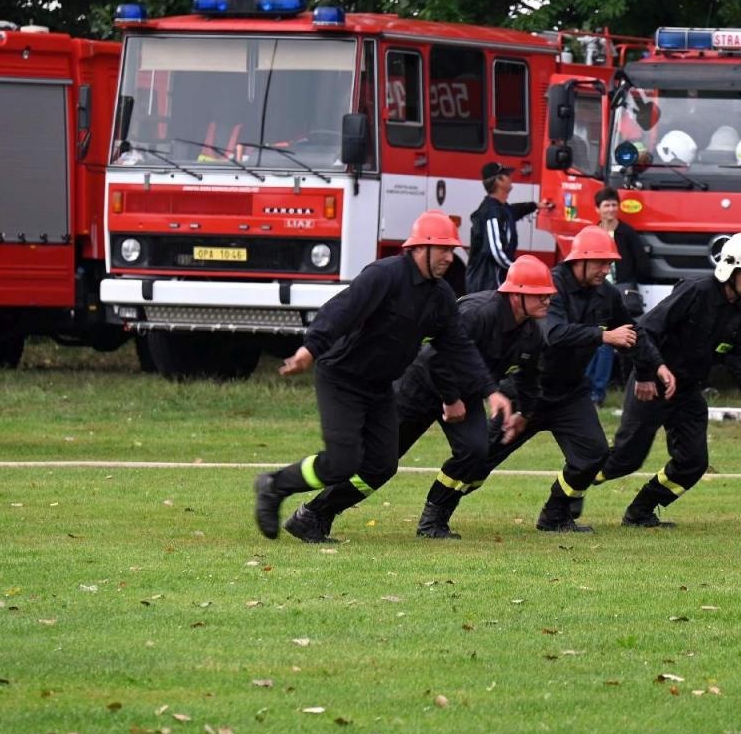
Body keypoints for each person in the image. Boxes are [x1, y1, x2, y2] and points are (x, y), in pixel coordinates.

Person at [253, 211, 513, 542]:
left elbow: (458, 347)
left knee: (382, 465)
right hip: (342, 379)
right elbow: (341, 311)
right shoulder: (384, 275)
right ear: (419, 248)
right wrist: (310, 349)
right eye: (443, 249)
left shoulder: (441, 296)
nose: (450, 257)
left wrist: (491, 391)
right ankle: (275, 485)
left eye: (452, 250)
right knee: (342, 462)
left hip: (379, 388)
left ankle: (311, 520)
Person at [451, 225, 655, 533]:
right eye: (601, 263)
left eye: (609, 263)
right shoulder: (550, 286)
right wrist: (603, 336)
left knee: (593, 454)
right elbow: (553, 334)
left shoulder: (606, 293)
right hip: (529, 392)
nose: (606, 270)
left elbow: (631, 332)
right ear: (579, 261)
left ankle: (556, 515)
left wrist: (648, 371)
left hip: (570, 393)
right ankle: (437, 514)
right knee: (479, 459)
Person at [592, 232, 741, 526]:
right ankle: (567, 493)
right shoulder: (695, 291)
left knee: (693, 462)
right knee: (625, 459)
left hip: (687, 392)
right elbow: (646, 330)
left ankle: (641, 511)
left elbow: (740, 361)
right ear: (730, 270)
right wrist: (647, 372)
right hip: (652, 384)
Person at [408, 255, 554, 539]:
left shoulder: (532, 333)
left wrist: (525, 413)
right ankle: (319, 512)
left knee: (475, 452)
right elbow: (437, 358)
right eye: (540, 295)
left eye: (549, 295)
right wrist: (450, 398)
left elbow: (528, 377)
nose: (547, 301)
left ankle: (433, 521)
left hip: (467, 394)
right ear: (517, 295)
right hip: (423, 386)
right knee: (383, 458)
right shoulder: (477, 313)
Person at [583, 187, 651, 404]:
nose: (611, 209)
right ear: (597, 209)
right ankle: (584, 388)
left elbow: (642, 263)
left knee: (605, 343)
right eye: (607, 205)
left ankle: (597, 392)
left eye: (614, 205)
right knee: (590, 341)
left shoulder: (627, 233)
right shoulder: (591, 233)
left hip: (619, 292)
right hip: (593, 292)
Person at [465, 162, 539, 292]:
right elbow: (495, 252)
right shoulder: (492, 212)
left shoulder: (501, 208)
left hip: (494, 283)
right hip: (488, 285)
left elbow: (514, 211)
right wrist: (518, 269)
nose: (511, 177)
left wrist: (536, 205)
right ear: (499, 181)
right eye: (506, 175)